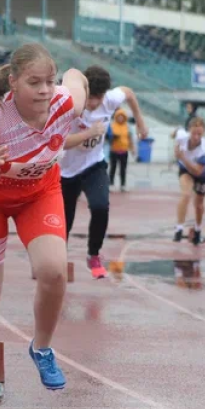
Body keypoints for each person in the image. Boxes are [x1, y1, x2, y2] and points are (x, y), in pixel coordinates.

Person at [0, 43, 88, 395]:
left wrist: (73, 77)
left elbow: (77, 79)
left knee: (54, 271)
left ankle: (42, 348)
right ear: (13, 83)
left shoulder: (64, 102)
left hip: (38, 194)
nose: (43, 91)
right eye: (33, 83)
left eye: (49, 82)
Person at [60, 66, 147, 279]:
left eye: (98, 99)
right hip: (65, 172)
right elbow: (60, 143)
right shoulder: (69, 104)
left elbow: (128, 93)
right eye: (90, 98)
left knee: (100, 207)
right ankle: (54, 261)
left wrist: (140, 122)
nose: (93, 104)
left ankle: (93, 254)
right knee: (65, 220)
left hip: (94, 166)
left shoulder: (109, 100)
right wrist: (89, 133)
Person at [173, 117, 205, 245]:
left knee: (199, 204)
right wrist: (173, 134)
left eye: (199, 134)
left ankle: (198, 229)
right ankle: (179, 229)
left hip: (202, 172)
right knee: (185, 195)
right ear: (189, 131)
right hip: (185, 170)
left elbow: (197, 171)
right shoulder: (182, 137)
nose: (196, 137)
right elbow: (176, 132)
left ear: (204, 133)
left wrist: (182, 157)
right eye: (194, 133)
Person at [109, 108, 135, 192]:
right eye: (119, 116)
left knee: (123, 168)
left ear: (124, 117)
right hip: (114, 150)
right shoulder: (112, 125)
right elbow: (108, 137)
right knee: (113, 167)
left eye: (122, 117)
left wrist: (132, 148)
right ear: (116, 117)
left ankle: (123, 185)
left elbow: (130, 138)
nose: (120, 118)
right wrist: (113, 137)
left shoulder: (127, 126)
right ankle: (111, 184)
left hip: (124, 150)